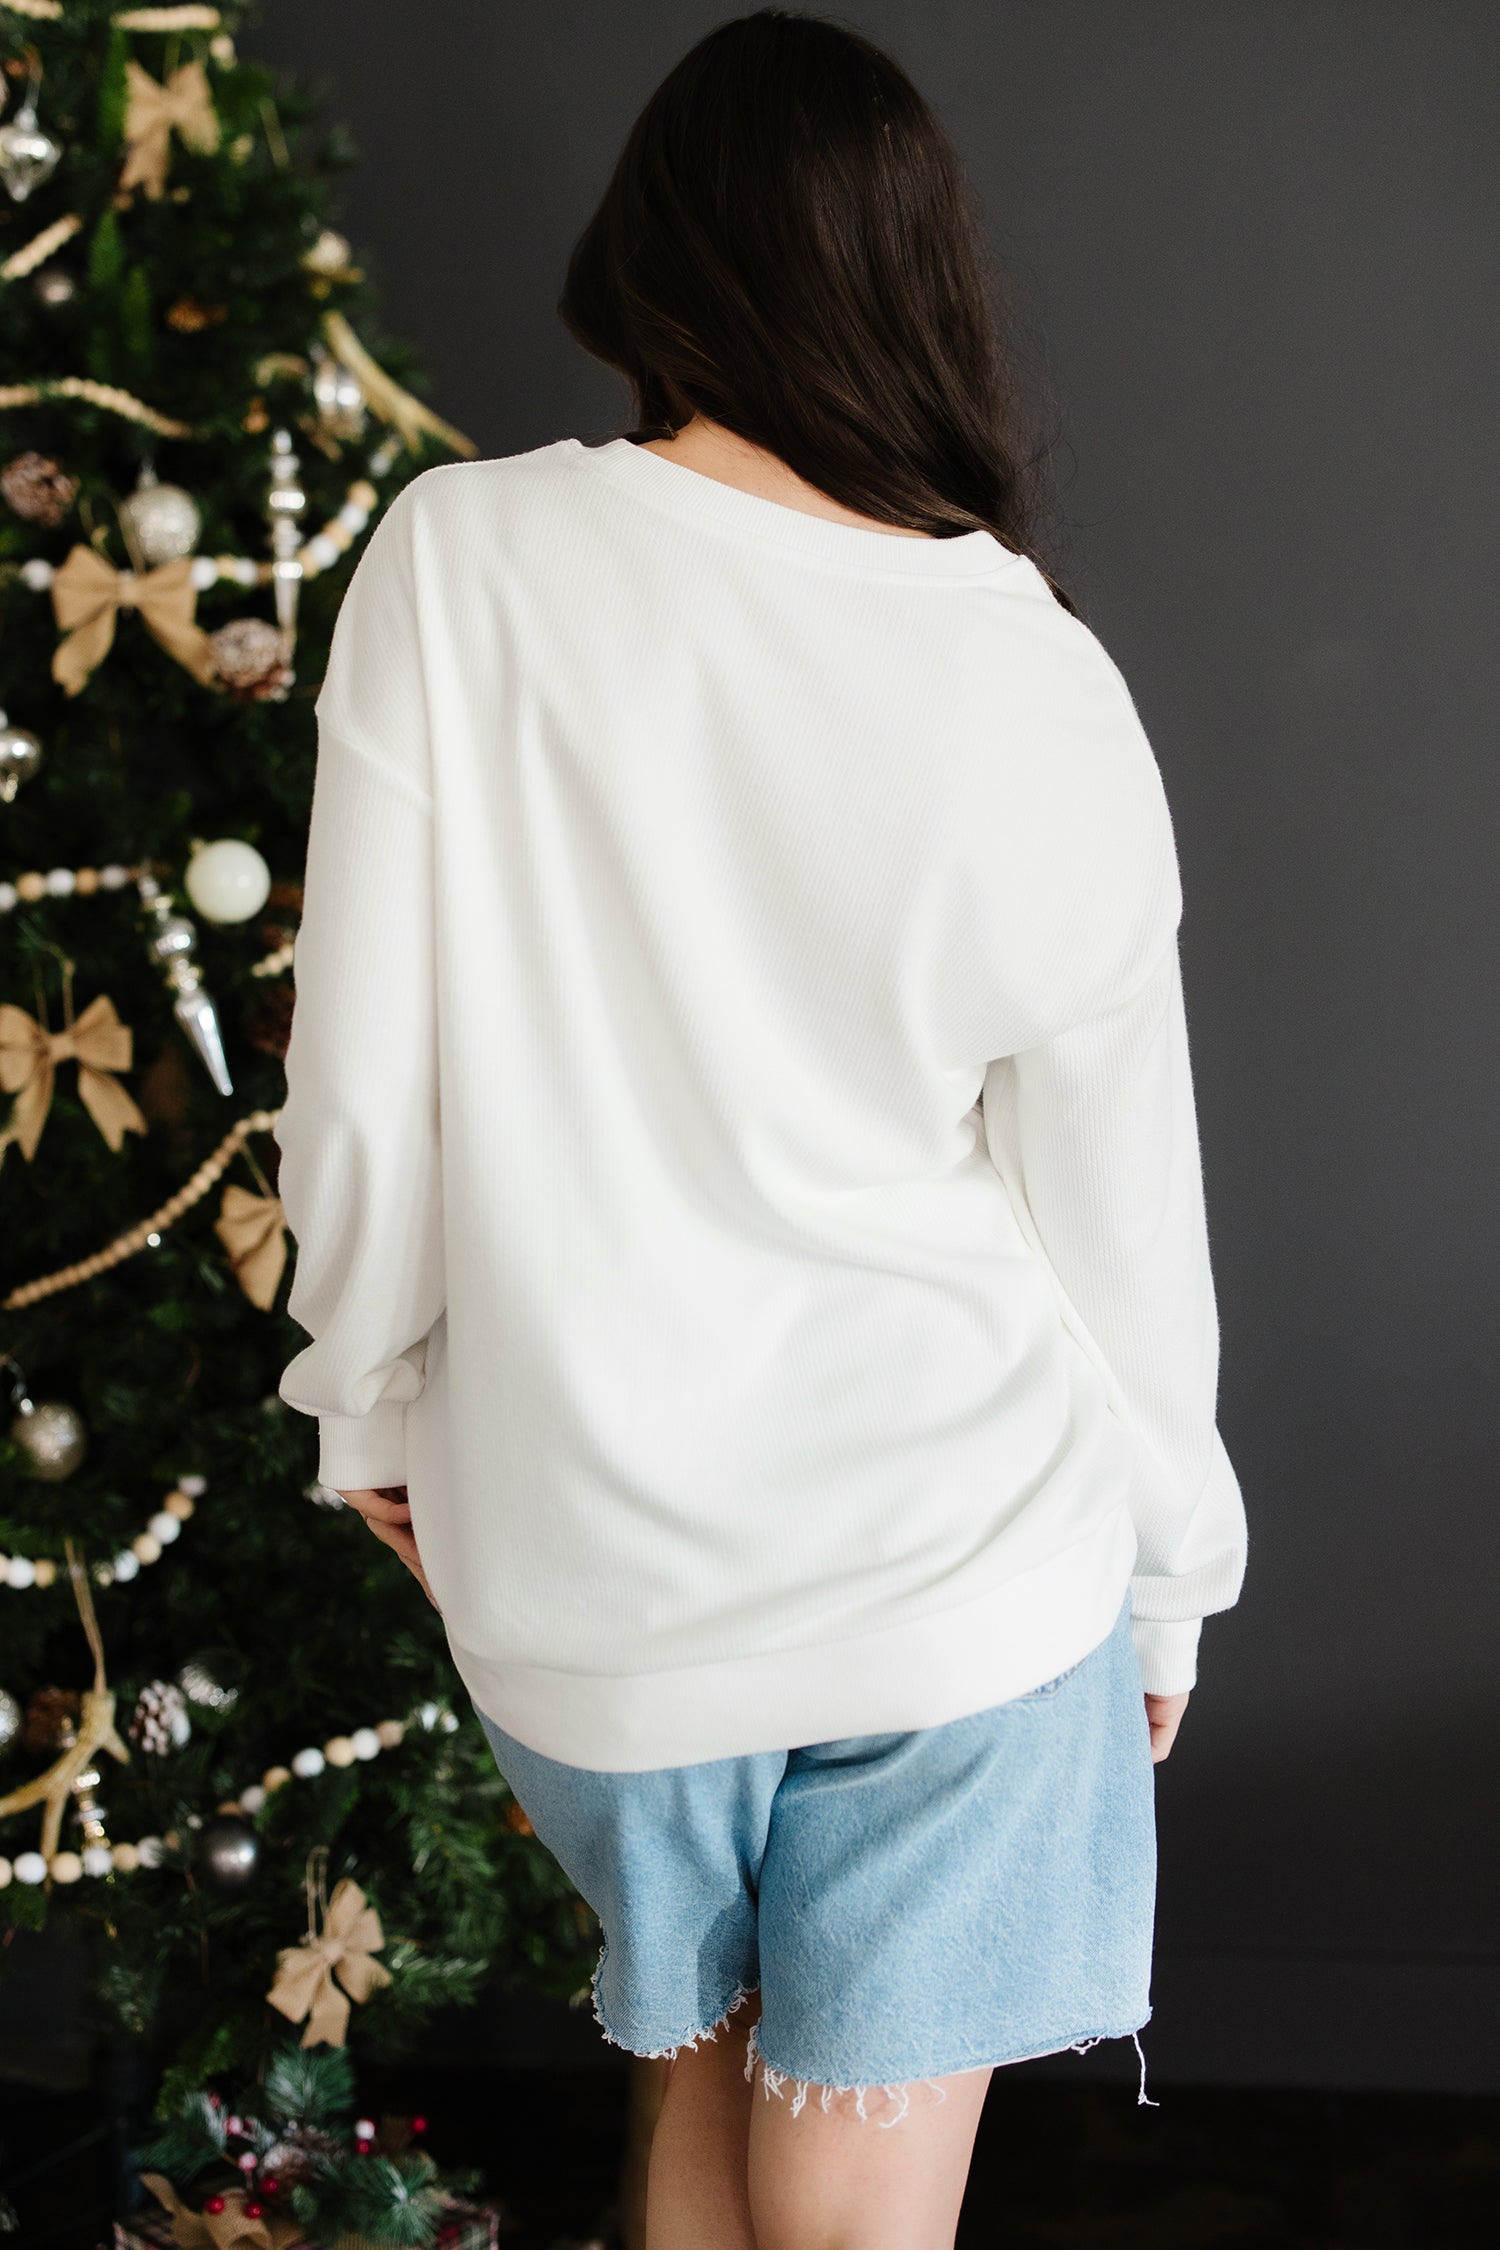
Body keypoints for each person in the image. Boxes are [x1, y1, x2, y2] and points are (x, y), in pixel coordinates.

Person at [273, 11, 1248, 2245]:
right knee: (854, 2202)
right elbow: (1118, 1203)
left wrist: (367, 1398)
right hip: (960, 1561)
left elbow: (363, 1069)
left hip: (601, 1566)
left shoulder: (463, 560)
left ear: (653, 253)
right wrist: (1170, 1576)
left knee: (704, 2095)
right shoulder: (1035, 665)